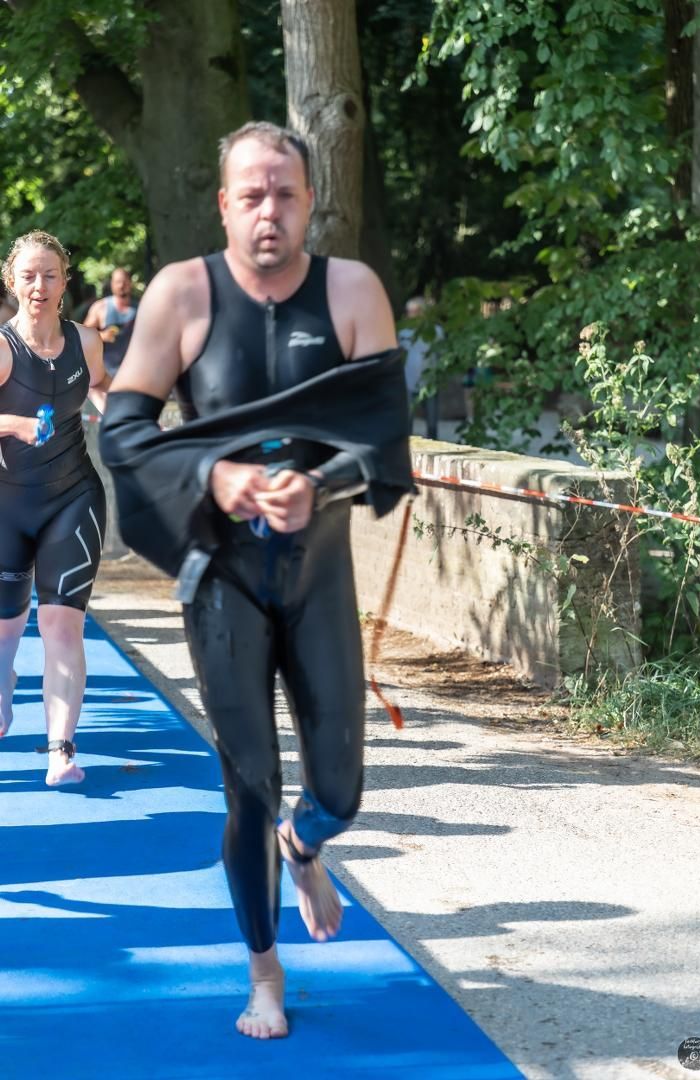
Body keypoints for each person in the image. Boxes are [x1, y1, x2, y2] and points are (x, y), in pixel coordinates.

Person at [100, 121, 413, 1040]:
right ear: (224, 204)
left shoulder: (353, 292)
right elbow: (124, 434)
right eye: (250, 195)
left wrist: (319, 482)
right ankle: (264, 972)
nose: (267, 211)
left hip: (317, 574)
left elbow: (385, 447)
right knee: (251, 788)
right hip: (223, 580)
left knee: (340, 791)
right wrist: (216, 478)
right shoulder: (181, 295)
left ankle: (307, 846)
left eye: (284, 193)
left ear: (311, 199)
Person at [0, 231, 111, 785]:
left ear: (65, 281)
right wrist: (14, 424)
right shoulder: (1, 349)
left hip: (73, 497)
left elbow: (104, 389)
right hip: (7, 505)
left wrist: (129, 418)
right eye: (28, 276)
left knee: (62, 623)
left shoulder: (86, 342)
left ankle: (60, 748)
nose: (39, 286)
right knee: (5, 624)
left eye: (49, 275)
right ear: (12, 282)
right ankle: (3, 685)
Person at [398, 295, 441, 439]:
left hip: (429, 383)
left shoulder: (436, 332)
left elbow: (442, 355)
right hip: (408, 381)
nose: (410, 314)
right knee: (407, 421)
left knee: (432, 422)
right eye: (408, 311)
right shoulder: (403, 333)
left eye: (414, 311)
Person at [83, 266, 137, 377]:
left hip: (133, 372)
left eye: (124, 282)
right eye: (117, 282)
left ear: (130, 283)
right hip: (106, 373)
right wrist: (101, 335)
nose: (121, 286)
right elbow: (83, 335)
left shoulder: (140, 308)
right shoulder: (101, 307)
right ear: (112, 284)